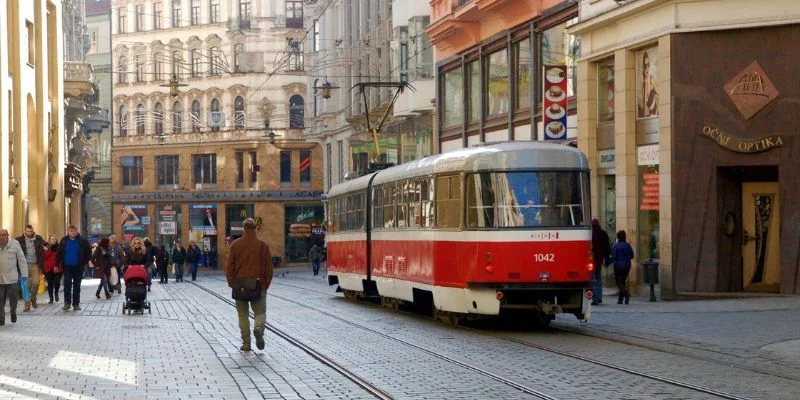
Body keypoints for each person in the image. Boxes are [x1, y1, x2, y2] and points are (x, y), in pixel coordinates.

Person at [226, 218, 273, 351]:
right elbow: (269, 268)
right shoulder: (263, 246)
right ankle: (258, 328)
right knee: (260, 312)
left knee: (243, 316)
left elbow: (229, 266)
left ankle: (246, 344)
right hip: (258, 285)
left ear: (244, 229)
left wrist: (231, 282)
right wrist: (265, 285)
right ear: (255, 229)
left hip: (240, 285)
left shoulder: (235, 245)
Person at [56, 224, 92, 311]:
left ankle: (76, 304)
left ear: (77, 231)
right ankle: (67, 303)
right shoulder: (64, 240)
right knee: (67, 285)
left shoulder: (82, 241)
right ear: (68, 231)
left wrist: (85, 262)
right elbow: (59, 253)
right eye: (71, 231)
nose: (72, 233)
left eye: (74, 231)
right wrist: (56, 264)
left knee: (77, 286)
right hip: (67, 267)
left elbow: (89, 251)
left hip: (78, 267)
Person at [0, 228, 28, 325]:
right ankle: (1, 318)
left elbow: (21, 259)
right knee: (0, 298)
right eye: (0, 235)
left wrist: (24, 274)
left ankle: (13, 312)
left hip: (12, 277)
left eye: (3, 235)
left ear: (7, 235)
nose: (1, 237)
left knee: (13, 297)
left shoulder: (15, 244)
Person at [16, 225, 46, 311]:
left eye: (31, 231)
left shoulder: (38, 238)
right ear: (25, 231)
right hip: (23, 265)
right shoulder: (19, 240)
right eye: (28, 231)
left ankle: (33, 298)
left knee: (36, 283)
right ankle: (27, 304)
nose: (30, 233)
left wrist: (46, 247)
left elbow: (46, 244)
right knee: (25, 286)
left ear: (33, 231)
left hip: (35, 264)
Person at [609, 230, 635, 305]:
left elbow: (613, 257)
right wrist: (626, 257)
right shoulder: (628, 245)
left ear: (618, 237)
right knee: (622, 281)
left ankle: (626, 293)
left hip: (618, 266)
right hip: (627, 265)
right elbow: (632, 256)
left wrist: (608, 261)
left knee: (618, 282)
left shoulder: (616, 245)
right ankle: (620, 299)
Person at [590, 219, 611, 305]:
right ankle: (599, 297)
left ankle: (595, 298)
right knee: (598, 278)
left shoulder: (590, 233)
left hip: (591, 260)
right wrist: (607, 261)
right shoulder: (603, 233)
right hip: (599, 260)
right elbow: (607, 249)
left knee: (593, 278)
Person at [43, 234, 62, 304]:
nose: (53, 240)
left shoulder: (59, 247)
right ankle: (51, 297)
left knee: (57, 282)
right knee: (50, 284)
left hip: (58, 267)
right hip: (48, 268)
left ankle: (56, 293)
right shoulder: (46, 248)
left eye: (54, 239)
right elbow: (44, 258)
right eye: (52, 239)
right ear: (49, 240)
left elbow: (61, 257)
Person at [639, 51, 659, 118]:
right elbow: (642, 104)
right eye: (645, 66)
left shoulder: (651, 80)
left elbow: (662, 94)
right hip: (647, 118)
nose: (647, 68)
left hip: (654, 116)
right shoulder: (643, 84)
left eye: (648, 65)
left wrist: (656, 113)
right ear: (643, 67)